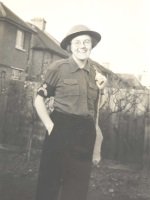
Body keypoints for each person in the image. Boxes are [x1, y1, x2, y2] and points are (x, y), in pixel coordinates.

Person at [34, 24, 107, 200]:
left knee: (78, 186)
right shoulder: (58, 68)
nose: (82, 46)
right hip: (61, 127)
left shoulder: (96, 73)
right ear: (70, 46)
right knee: (49, 183)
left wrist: (102, 89)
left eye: (86, 42)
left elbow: (96, 106)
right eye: (77, 42)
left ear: (91, 45)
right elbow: (38, 100)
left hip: (85, 133)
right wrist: (51, 126)